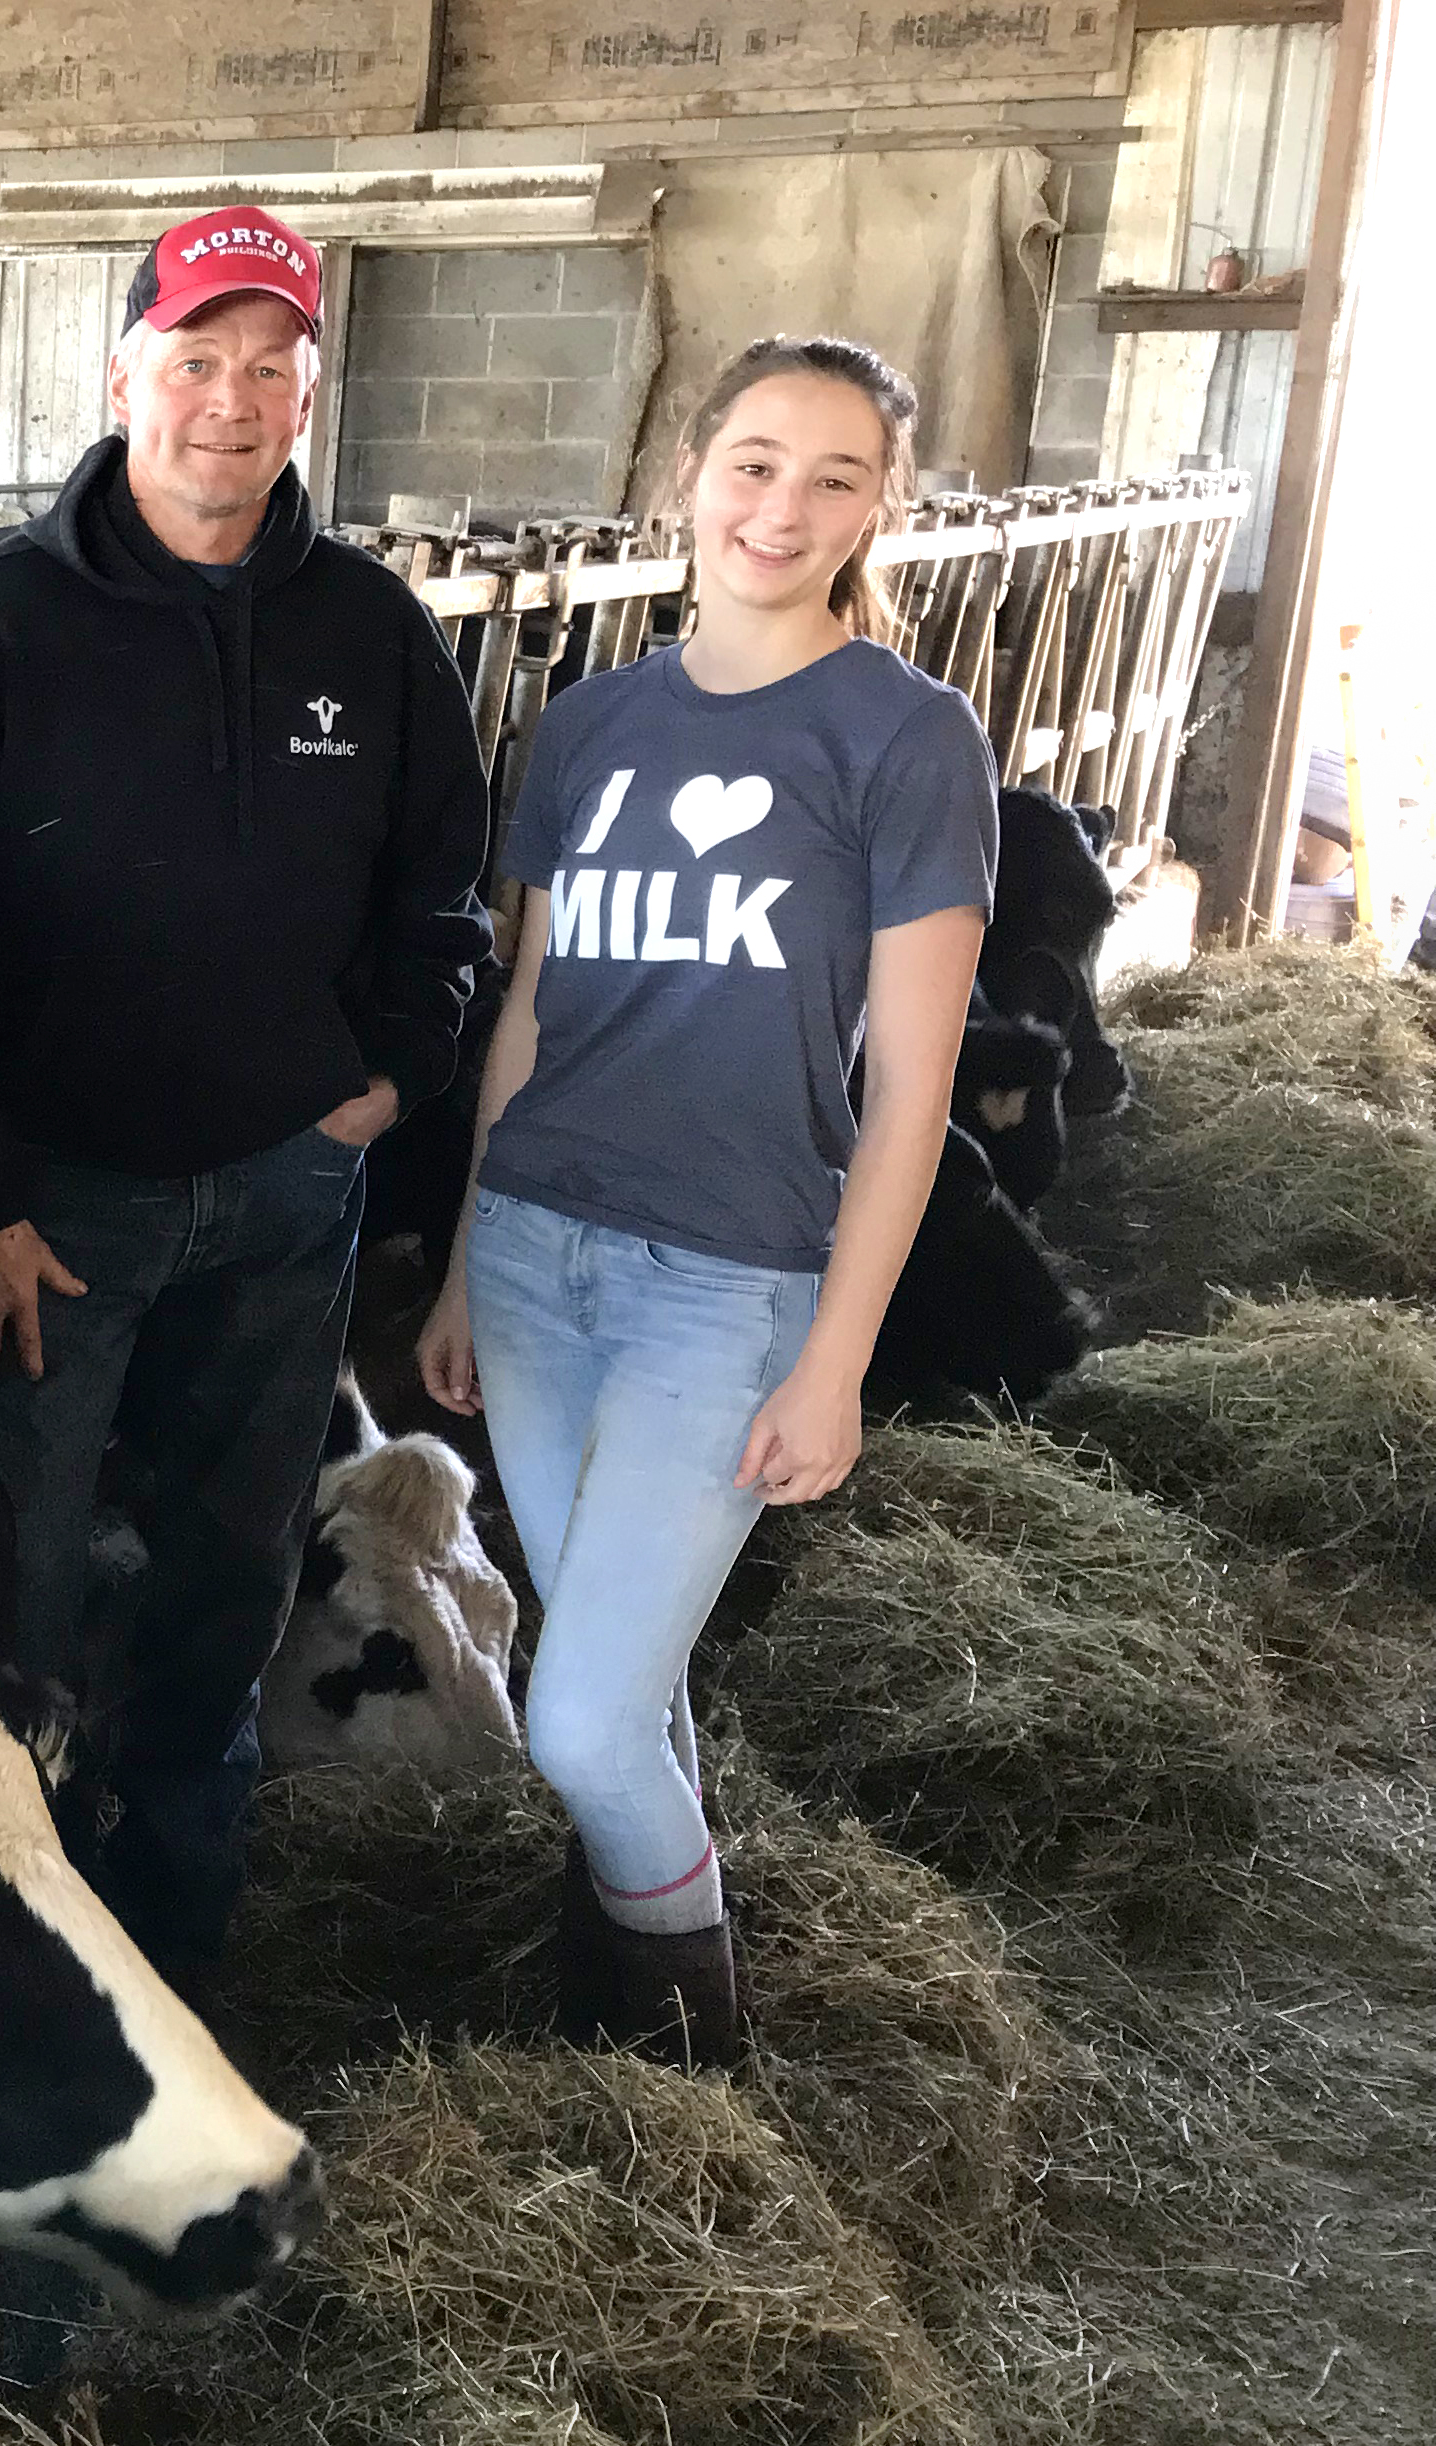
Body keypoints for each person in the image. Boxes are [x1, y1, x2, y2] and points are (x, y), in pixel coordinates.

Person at [0, 205, 493, 1993]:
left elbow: (444, 891)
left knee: (224, 1587)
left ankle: (178, 1951)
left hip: (291, 1193)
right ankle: (2, 1961)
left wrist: (381, 1085)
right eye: (195, 361)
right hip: (56, 1215)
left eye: (268, 367)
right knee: (19, 1587)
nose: (232, 400)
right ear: (126, 371)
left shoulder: (372, 631)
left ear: (309, 394)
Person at [419, 335, 994, 2065]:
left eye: (835, 475)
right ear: (689, 473)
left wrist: (836, 1358)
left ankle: (695, 2059)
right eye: (753, 460)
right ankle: (613, 2009)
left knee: (578, 1725)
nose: (782, 505)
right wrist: (457, 1265)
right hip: (533, 1259)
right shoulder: (590, 724)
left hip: (726, 1286)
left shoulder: (906, 737)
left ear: (880, 507)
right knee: (630, 1674)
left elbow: (911, 1092)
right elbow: (527, 1012)